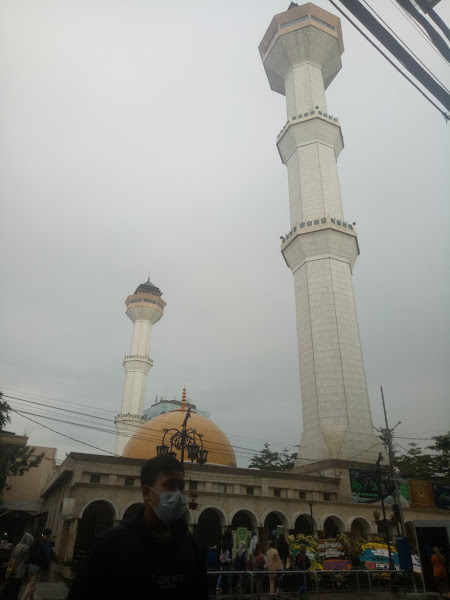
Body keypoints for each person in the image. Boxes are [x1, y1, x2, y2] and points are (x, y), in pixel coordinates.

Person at [67, 455, 208, 600]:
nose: (178, 494)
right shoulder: (110, 545)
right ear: (147, 493)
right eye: (170, 485)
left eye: (181, 487)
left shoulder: (192, 546)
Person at [20, 529, 52, 600]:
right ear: (49, 535)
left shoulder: (35, 541)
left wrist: (27, 563)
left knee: (31, 584)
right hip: (37, 567)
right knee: (31, 586)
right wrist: (47, 568)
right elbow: (47, 557)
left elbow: (29, 552)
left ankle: (32, 598)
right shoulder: (47, 544)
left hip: (31, 566)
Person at [2, 533, 33, 600]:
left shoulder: (17, 545)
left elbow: (12, 556)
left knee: (9, 585)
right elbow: (26, 560)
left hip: (12, 568)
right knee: (16, 587)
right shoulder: (27, 548)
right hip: (19, 570)